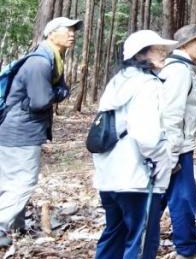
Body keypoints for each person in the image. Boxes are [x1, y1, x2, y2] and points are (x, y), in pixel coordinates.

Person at [93, 29, 178, 259]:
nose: (164, 54)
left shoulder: (117, 82)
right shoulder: (147, 85)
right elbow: (148, 136)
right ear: (140, 54)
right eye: (157, 49)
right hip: (139, 179)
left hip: (110, 177)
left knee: (114, 236)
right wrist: (165, 159)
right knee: (140, 242)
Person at [0, 16, 78, 249]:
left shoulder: (52, 58)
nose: (72, 34)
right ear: (51, 33)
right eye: (67, 30)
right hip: (20, 130)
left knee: (10, 178)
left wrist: (57, 90)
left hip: (17, 127)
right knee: (23, 180)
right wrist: (61, 93)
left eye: (74, 30)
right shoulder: (41, 62)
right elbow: (40, 100)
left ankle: (15, 225)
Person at [157, 24, 196, 259]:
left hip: (169, 147)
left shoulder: (178, 68)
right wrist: (173, 153)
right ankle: (187, 251)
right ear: (185, 45)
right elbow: (172, 114)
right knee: (184, 199)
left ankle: (140, 243)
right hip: (175, 149)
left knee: (163, 197)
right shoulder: (179, 71)